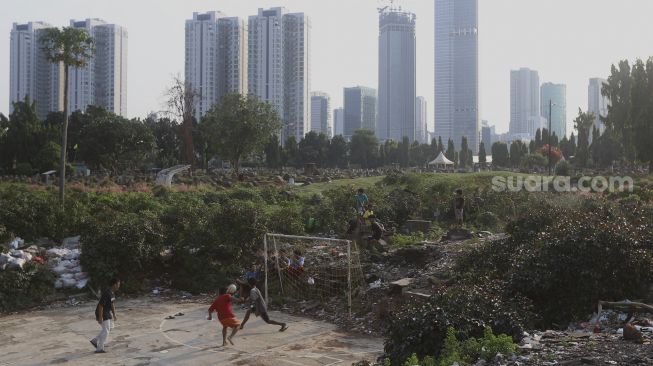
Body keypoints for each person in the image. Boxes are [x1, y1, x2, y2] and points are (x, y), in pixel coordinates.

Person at [91, 278, 121, 353]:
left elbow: (112, 304)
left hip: (107, 312)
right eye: (118, 285)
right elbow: (101, 305)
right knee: (106, 331)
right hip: (101, 312)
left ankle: (95, 340)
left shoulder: (112, 293)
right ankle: (99, 348)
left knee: (110, 327)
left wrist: (114, 314)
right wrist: (100, 317)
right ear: (114, 285)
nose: (119, 286)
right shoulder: (107, 293)